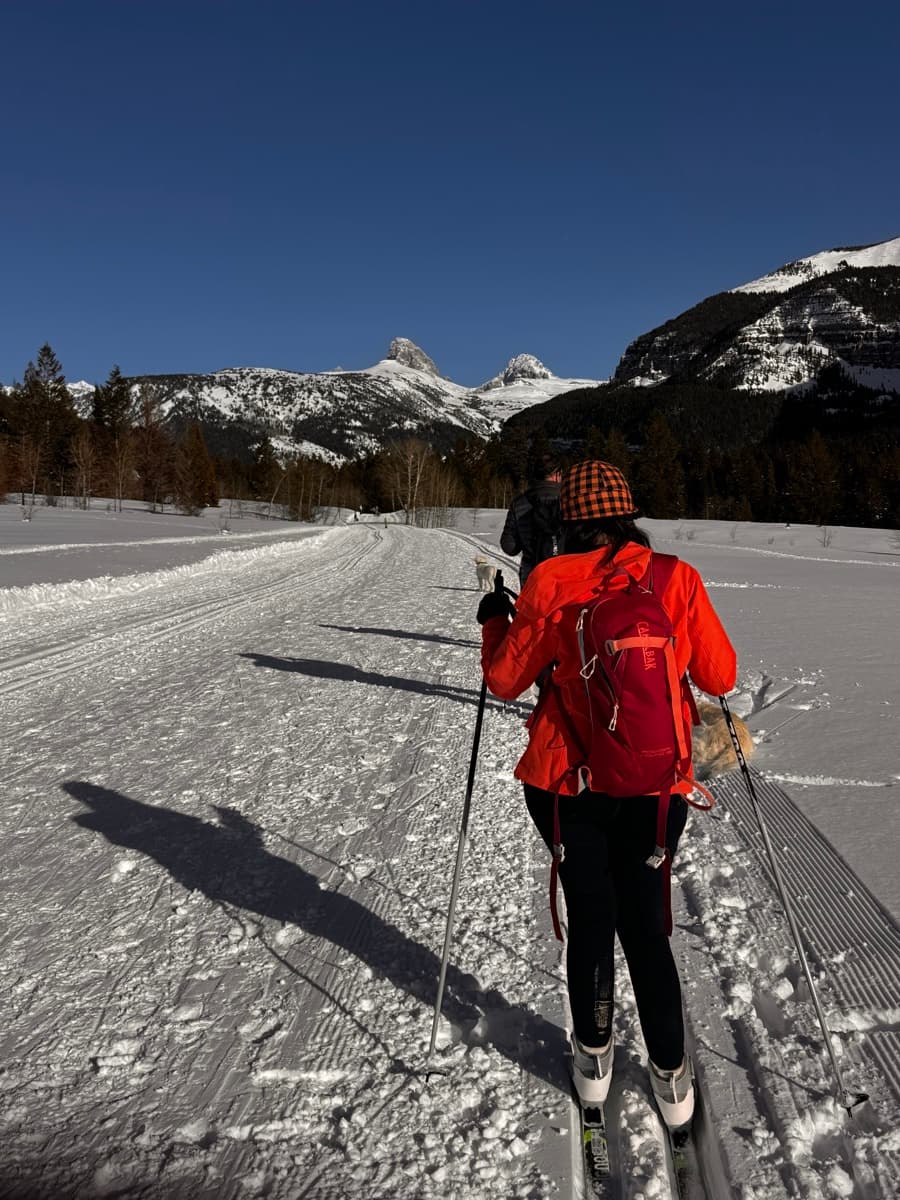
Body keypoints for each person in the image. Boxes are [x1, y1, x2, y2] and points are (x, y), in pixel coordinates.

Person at [477, 460, 736, 1128]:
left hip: (567, 780)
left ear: (570, 519)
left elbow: (506, 681)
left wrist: (492, 622)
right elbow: (720, 673)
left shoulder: (551, 580)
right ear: (628, 513)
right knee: (646, 925)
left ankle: (593, 1064)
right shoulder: (675, 577)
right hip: (655, 782)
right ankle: (672, 1080)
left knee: (591, 917)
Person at [500, 456, 563, 587]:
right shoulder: (570, 501)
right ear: (557, 475)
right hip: (564, 575)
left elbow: (509, 547)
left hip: (532, 576)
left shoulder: (519, 503)